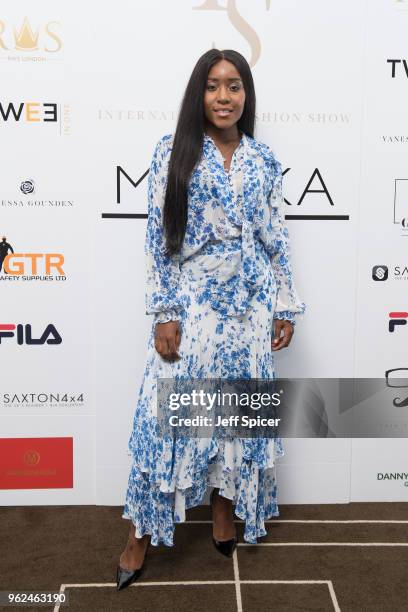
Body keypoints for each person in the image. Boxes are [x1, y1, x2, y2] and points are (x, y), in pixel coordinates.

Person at [116, 48, 305, 591]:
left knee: (238, 415)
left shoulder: (263, 161)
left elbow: (276, 238)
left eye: (235, 86)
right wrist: (165, 313)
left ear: (246, 95)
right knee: (170, 418)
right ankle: (138, 538)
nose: (225, 97)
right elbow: (158, 242)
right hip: (193, 305)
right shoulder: (173, 153)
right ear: (198, 93)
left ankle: (224, 515)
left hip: (250, 308)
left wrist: (286, 304)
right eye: (214, 86)